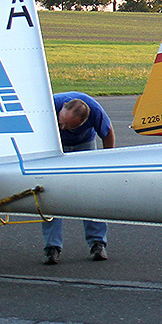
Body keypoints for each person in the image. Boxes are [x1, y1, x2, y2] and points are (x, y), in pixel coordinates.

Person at [42, 92, 115, 264]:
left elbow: (108, 134)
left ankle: (97, 243)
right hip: (54, 146)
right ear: (62, 109)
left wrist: (107, 162)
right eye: (62, 122)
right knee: (50, 193)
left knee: (90, 193)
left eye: (69, 126)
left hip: (84, 146)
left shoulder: (96, 111)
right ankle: (52, 247)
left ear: (84, 121)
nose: (63, 127)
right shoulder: (47, 104)